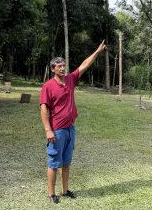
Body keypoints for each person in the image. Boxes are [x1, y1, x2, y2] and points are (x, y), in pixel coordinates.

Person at [40, 40, 106, 204]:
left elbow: (84, 65)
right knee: (54, 163)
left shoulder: (70, 80)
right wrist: (48, 130)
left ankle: (64, 190)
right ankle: (51, 194)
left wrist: (97, 52)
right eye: (59, 66)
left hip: (70, 129)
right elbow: (44, 110)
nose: (62, 68)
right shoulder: (48, 86)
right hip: (57, 131)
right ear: (53, 69)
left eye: (63, 65)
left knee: (66, 163)